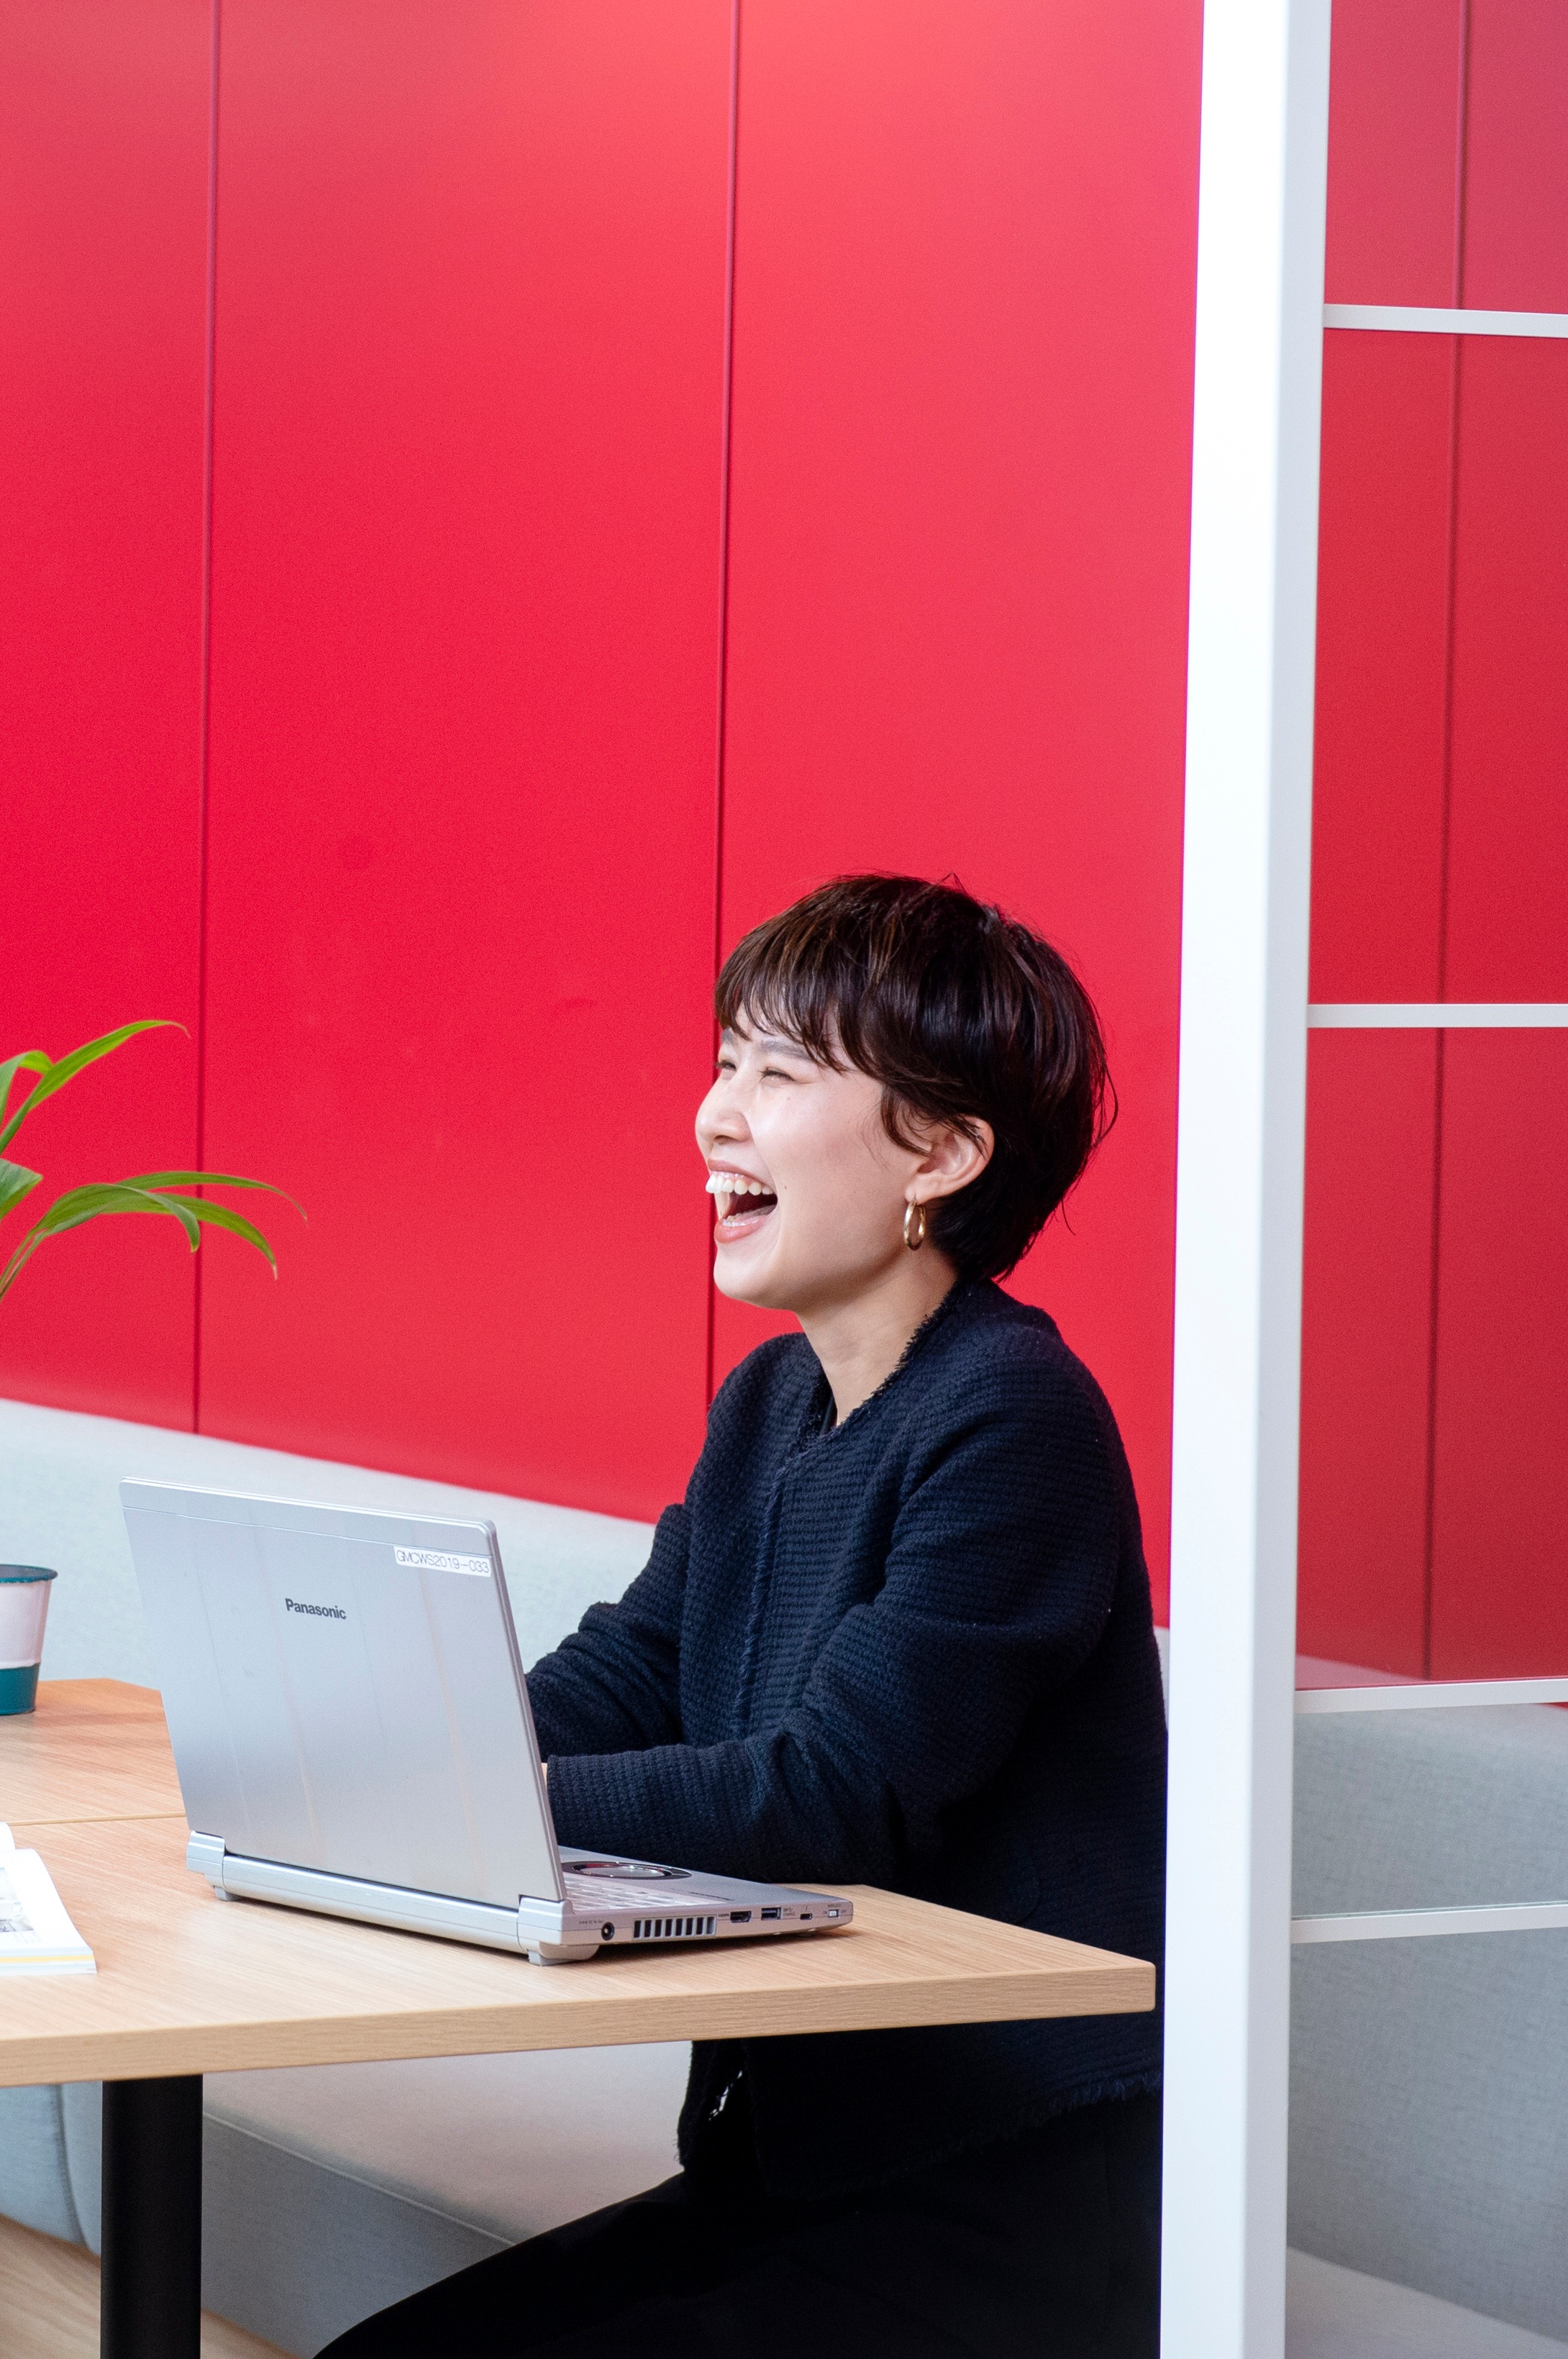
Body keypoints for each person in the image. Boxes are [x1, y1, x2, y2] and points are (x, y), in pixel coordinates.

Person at [324, 875, 1166, 2358]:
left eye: (779, 1073)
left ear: (944, 1154)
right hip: (790, 2169)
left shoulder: (1015, 1415)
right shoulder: (773, 1399)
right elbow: (633, 1666)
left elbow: (839, 1792)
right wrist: (402, 1745)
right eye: (726, 1063)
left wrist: (484, 1797)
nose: (716, 1116)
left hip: (993, 2209)